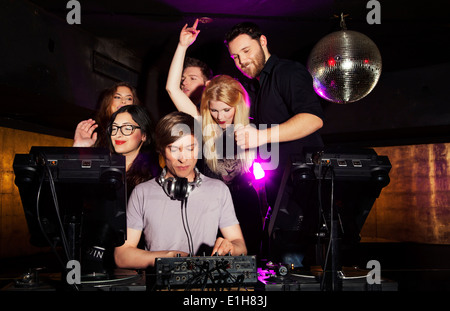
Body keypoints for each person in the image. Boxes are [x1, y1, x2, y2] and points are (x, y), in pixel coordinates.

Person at [224, 22, 325, 267]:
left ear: (263, 41)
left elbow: (313, 119)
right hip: (278, 189)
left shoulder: (287, 72)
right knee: (279, 264)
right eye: (236, 57)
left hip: (302, 188)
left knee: (293, 262)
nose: (242, 60)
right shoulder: (255, 87)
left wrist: (261, 135)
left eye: (246, 51)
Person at [166, 20, 263, 256]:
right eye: (214, 110)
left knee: (248, 262)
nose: (220, 116)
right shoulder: (201, 123)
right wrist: (182, 46)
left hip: (245, 206)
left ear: (237, 107)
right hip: (207, 206)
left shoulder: (251, 130)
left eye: (226, 110)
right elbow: (172, 89)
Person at [114, 111, 247, 269]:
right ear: (162, 150)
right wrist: (170, 258)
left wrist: (230, 247)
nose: (183, 158)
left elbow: (240, 246)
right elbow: (122, 255)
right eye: (174, 149)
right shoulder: (142, 192)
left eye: (190, 148)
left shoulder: (218, 190)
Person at [73, 81, 142, 148]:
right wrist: (80, 148)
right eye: (117, 97)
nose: (124, 101)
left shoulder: (139, 133)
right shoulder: (94, 131)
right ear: (108, 101)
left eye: (129, 98)